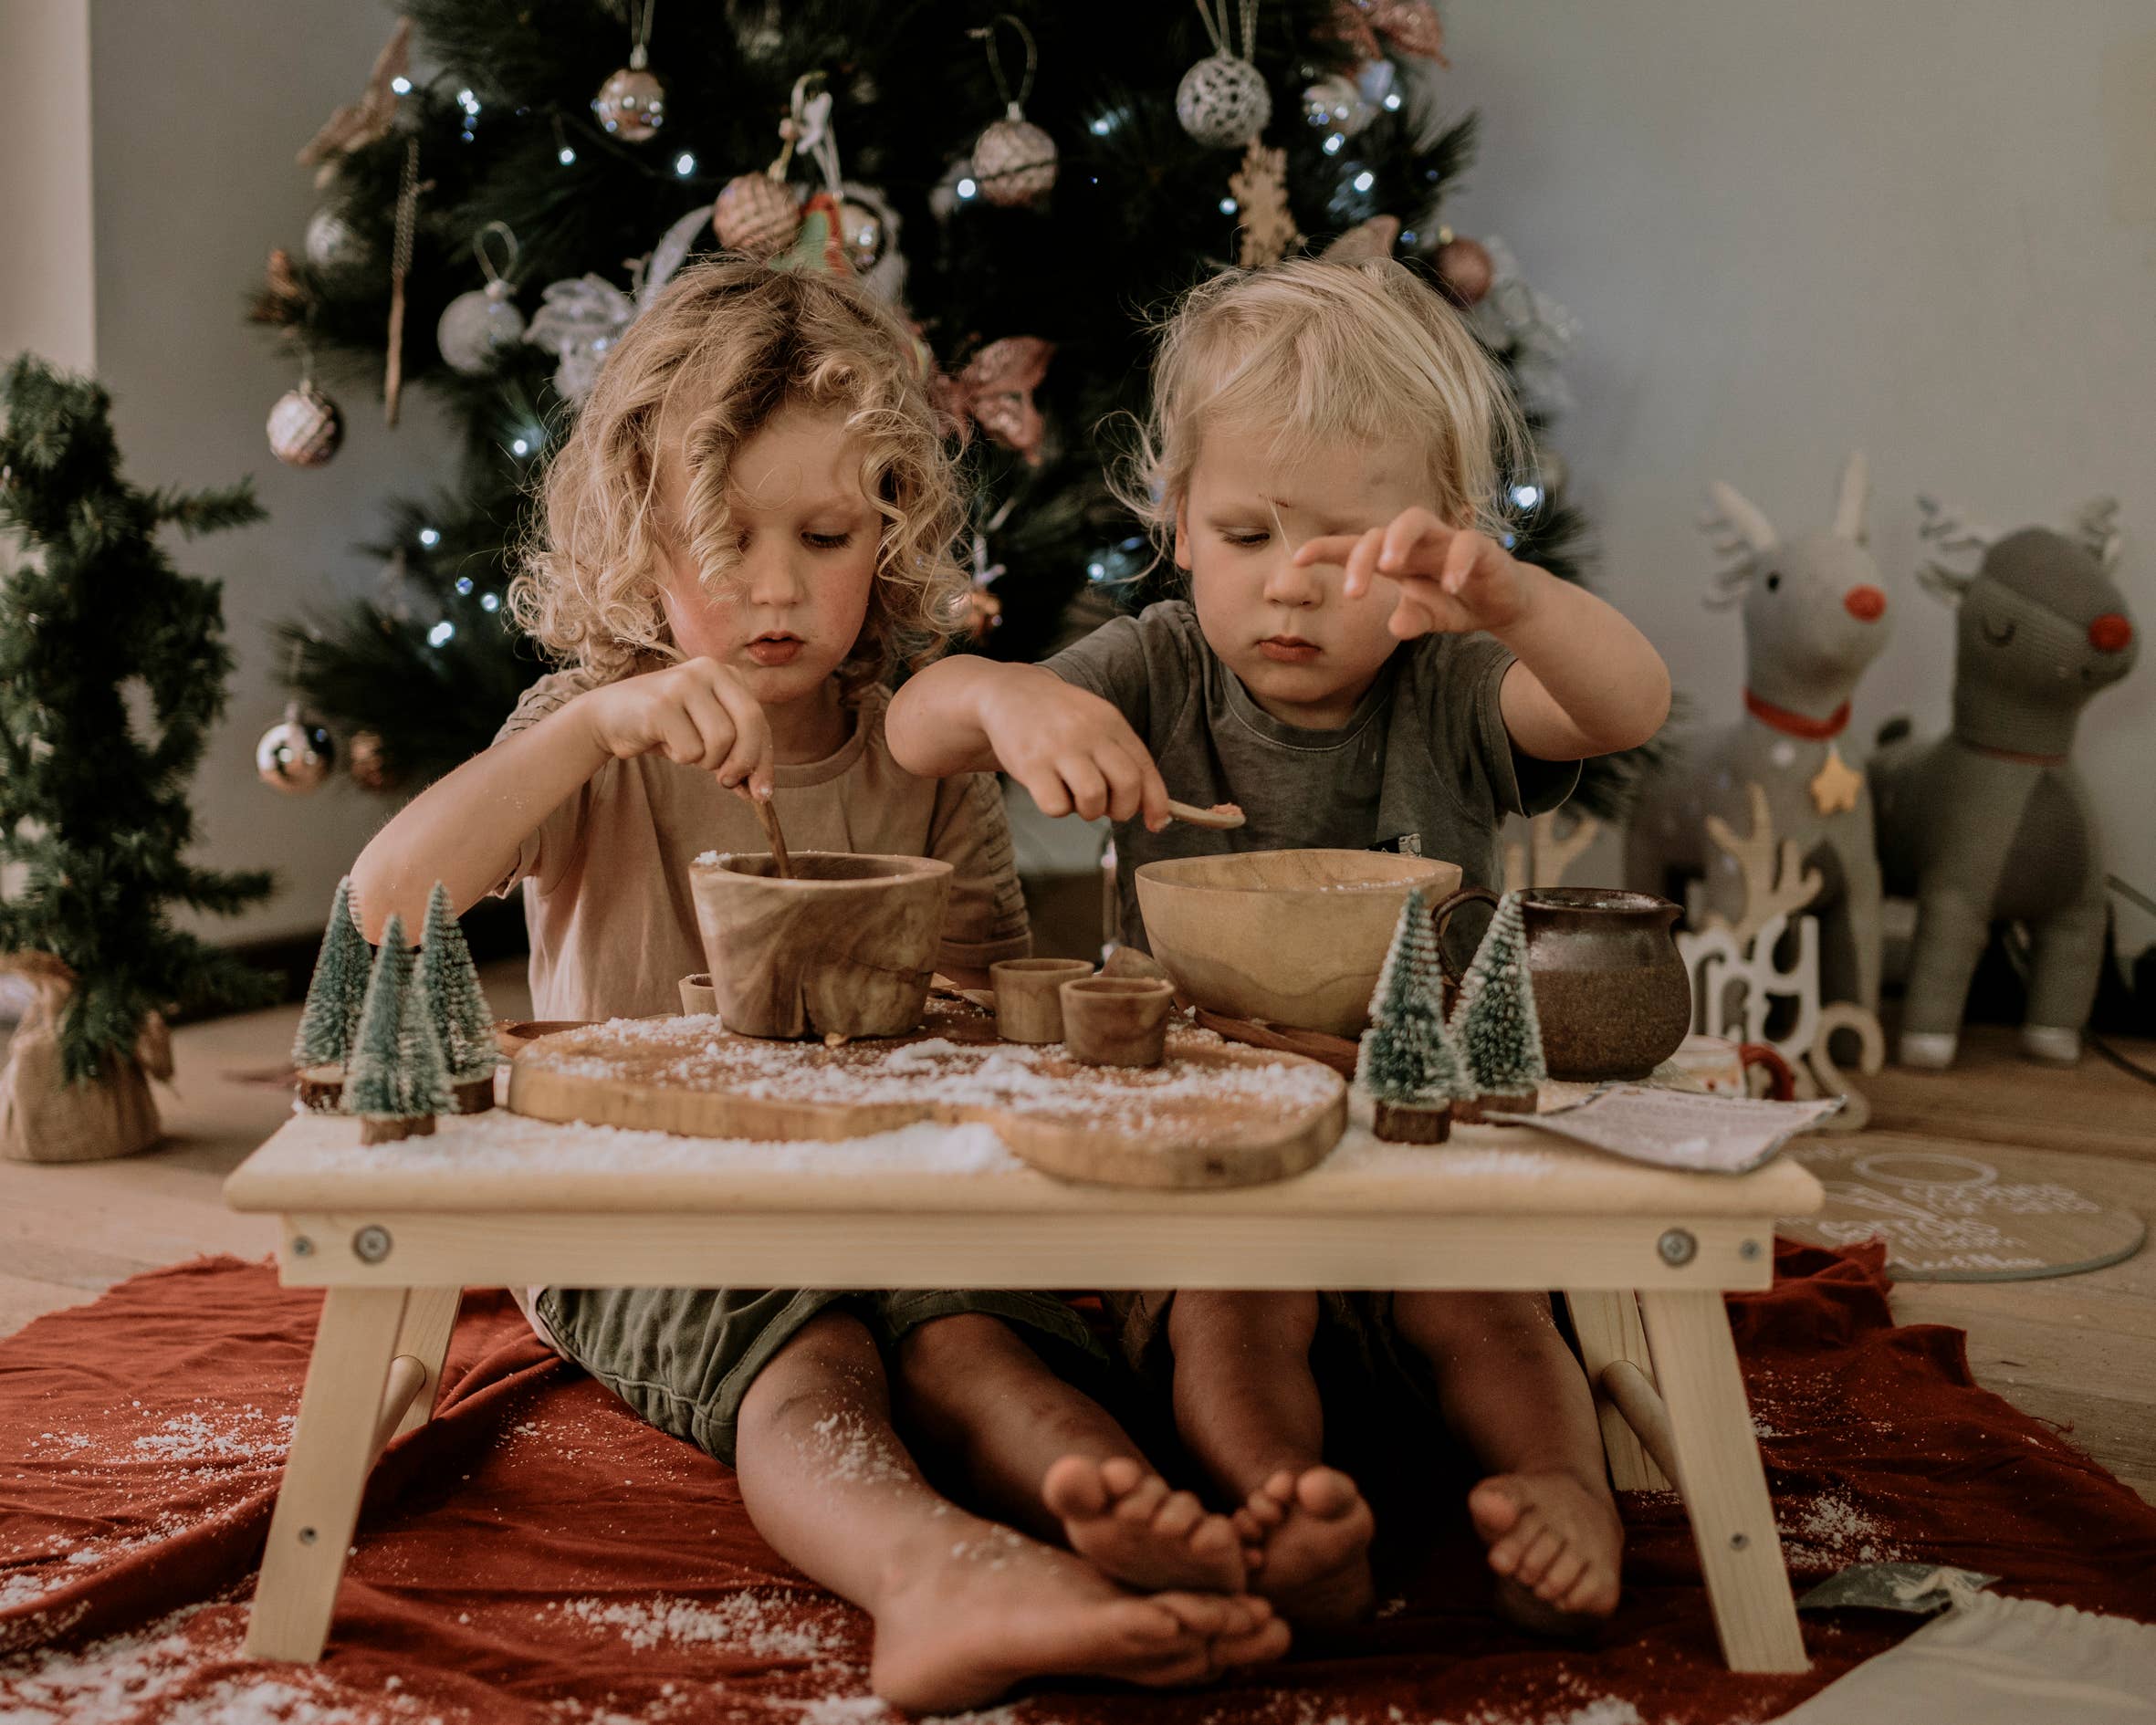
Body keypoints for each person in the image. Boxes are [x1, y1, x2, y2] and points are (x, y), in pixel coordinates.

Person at [349, 259, 1285, 1710]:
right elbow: (380, 909)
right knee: (813, 1352)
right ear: (634, 546)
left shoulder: (913, 742)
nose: (773, 585)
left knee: (974, 1330)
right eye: (719, 538)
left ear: (892, 535)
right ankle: (930, 1575)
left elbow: (981, 996)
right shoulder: (592, 735)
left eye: (826, 533)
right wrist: (591, 728)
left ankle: (1094, 1497)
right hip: (644, 1197)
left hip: (896, 1175)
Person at [887, 256, 1671, 1633]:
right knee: (1231, 1317)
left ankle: (1562, 1489)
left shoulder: (1455, 680)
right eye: (1246, 536)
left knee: (1493, 1314)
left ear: (1434, 545)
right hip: (1218, 1165)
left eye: (1343, 552)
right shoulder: (1158, 660)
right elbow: (912, 727)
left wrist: (1513, 602)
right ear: (1177, 522)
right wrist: (1006, 700)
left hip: (1425, 1150)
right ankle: (1289, 1506)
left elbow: (1620, 707)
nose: (1288, 593)